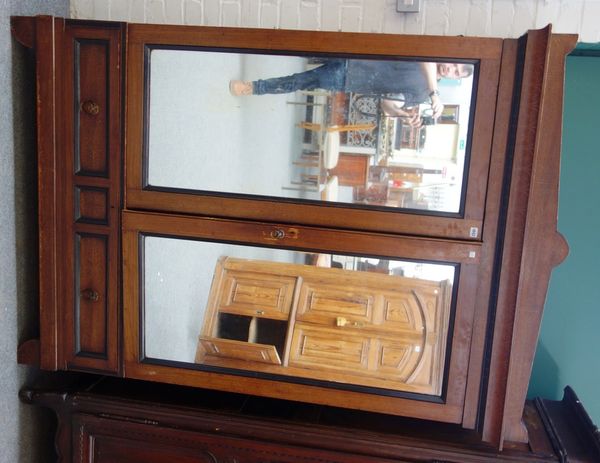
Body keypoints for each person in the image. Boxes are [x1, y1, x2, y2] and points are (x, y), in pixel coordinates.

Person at [229, 59, 474, 124]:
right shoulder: (431, 80)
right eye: (454, 64)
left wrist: (402, 115)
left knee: (300, 81)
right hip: (355, 49)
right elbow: (427, 60)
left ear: (454, 78)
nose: (450, 68)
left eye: (455, 72)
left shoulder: (423, 95)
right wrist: (434, 93)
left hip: (350, 78)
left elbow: (386, 106)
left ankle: (252, 88)